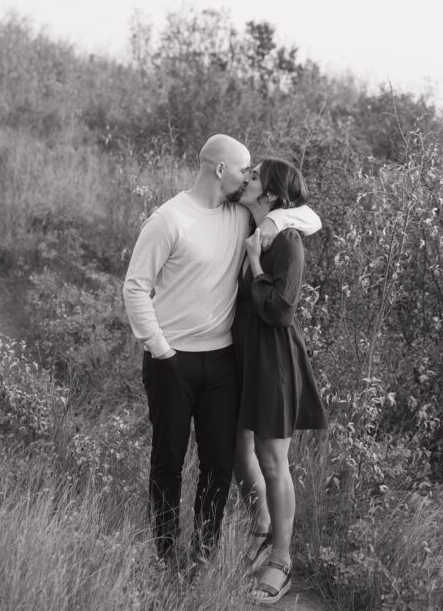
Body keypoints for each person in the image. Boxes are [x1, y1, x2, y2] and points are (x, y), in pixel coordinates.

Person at [122, 134, 321, 571]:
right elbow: (135, 287)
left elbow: (307, 215)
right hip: (171, 359)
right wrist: (160, 350)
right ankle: (167, 555)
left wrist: (270, 224)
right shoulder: (169, 218)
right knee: (168, 461)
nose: (248, 176)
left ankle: (204, 554)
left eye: (254, 174)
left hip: (224, 361)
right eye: (243, 169)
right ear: (220, 171)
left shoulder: (240, 216)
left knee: (218, 463)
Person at [232, 157, 327, 605]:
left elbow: (279, 312)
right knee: (236, 450)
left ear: (269, 192)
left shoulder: (286, 242)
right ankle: (262, 525)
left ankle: (282, 562)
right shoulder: (247, 222)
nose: (246, 179)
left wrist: (254, 263)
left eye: (253, 177)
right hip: (239, 355)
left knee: (272, 459)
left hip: (273, 359)